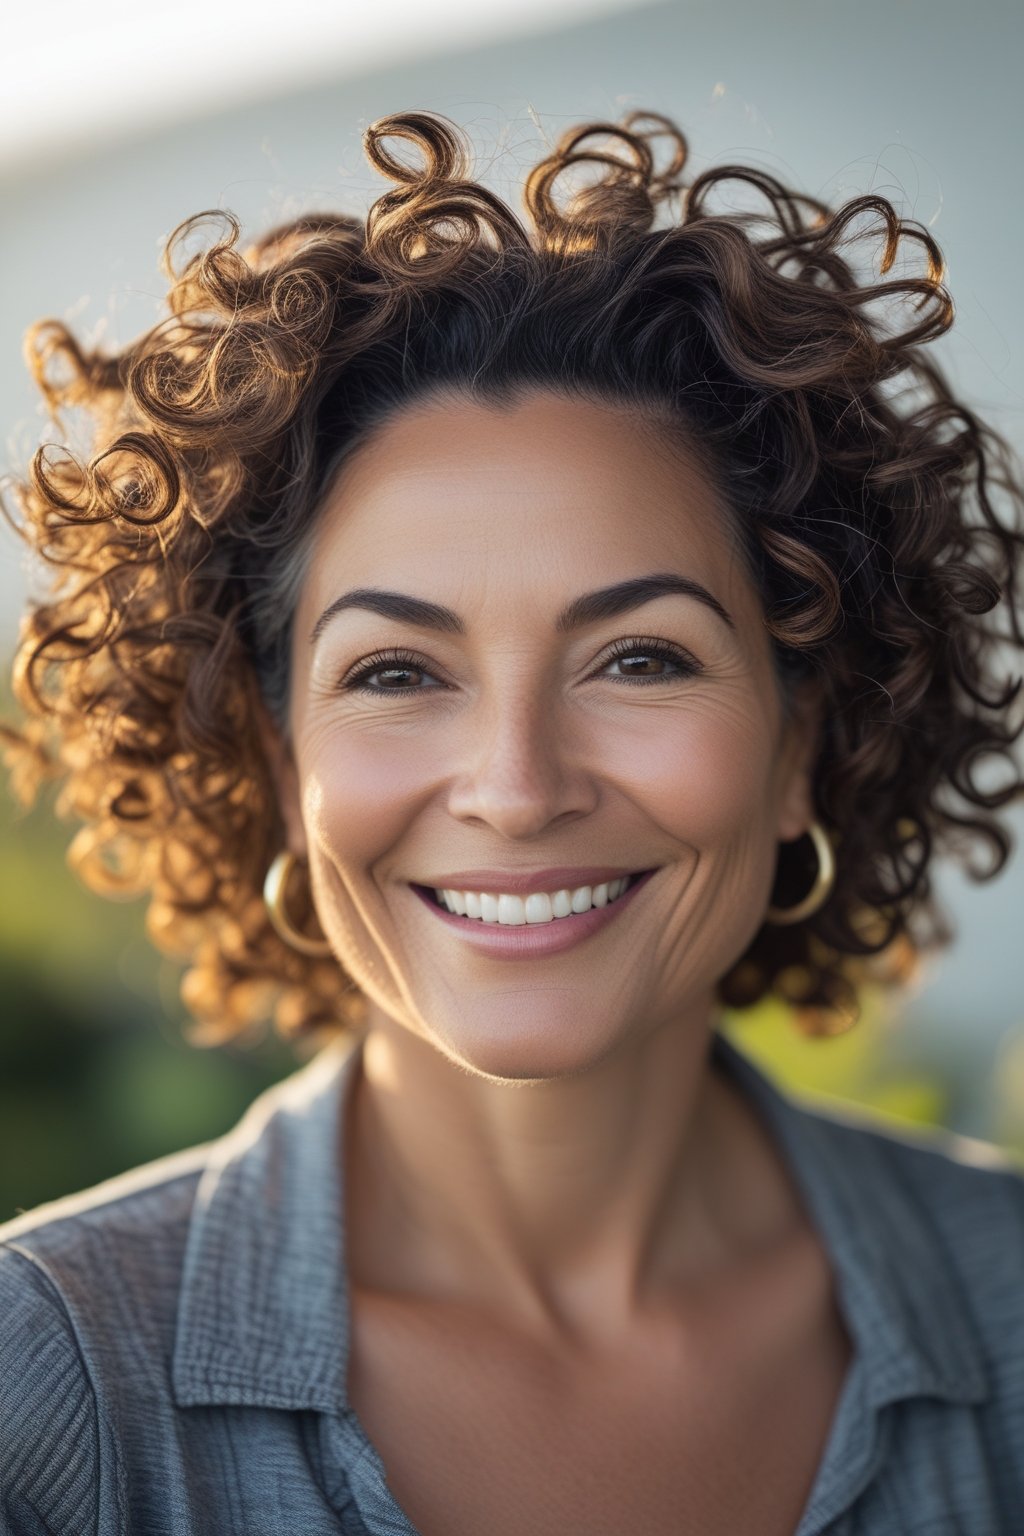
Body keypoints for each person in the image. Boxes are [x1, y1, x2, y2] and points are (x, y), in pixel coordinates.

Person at [1, 105, 1023, 1536]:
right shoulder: (48, 1384)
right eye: (397, 672)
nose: (519, 784)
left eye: (642, 657)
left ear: (805, 738)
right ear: (274, 755)